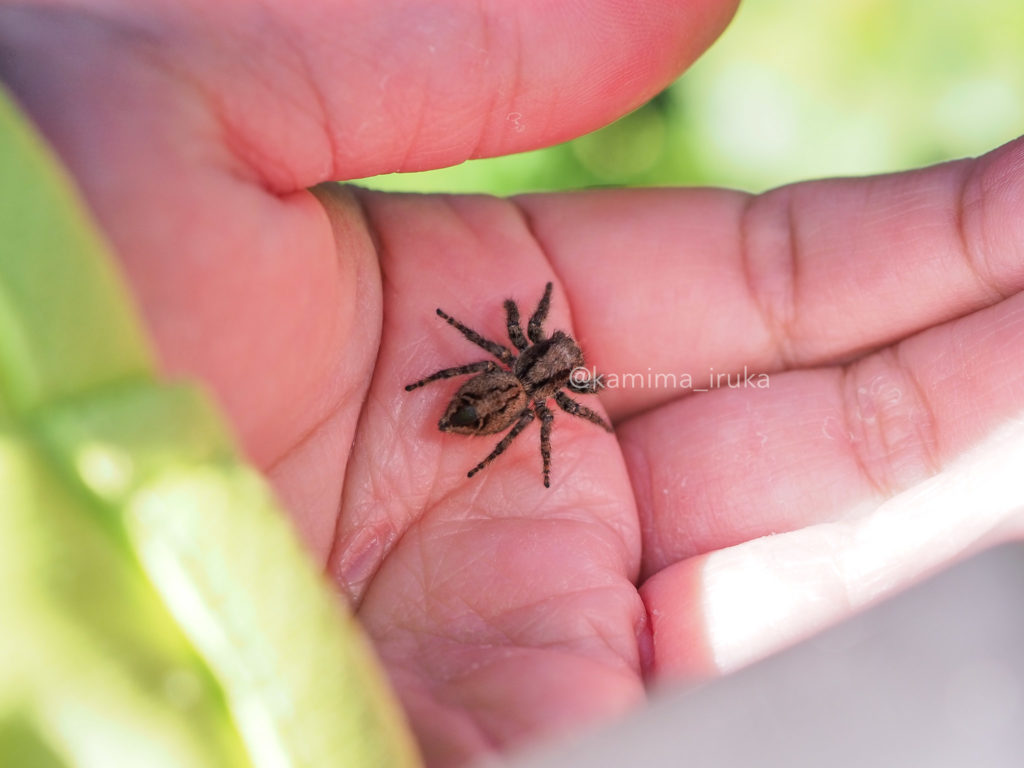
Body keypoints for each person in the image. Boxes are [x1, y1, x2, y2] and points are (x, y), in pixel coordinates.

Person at [2, 1, 1021, 765]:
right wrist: (498, 421)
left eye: (555, 359)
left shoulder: (532, 379)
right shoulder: (536, 381)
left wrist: (500, 421)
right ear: (544, 356)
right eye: (553, 355)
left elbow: (506, 388)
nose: (557, 359)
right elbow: (504, 384)